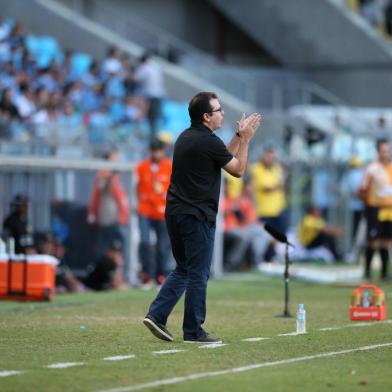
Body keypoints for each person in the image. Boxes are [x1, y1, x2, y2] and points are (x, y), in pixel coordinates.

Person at [143, 91, 261, 344]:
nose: (223, 114)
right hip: (196, 216)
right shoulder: (208, 141)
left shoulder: (186, 138)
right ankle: (194, 331)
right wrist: (247, 141)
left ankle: (156, 314)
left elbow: (222, 158)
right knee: (198, 273)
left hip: (175, 213)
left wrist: (239, 136)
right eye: (218, 110)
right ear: (207, 116)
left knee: (184, 269)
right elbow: (238, 170)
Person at [136, 138, 172, 287]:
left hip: (163, 211)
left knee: (162, 245)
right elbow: (136, 186)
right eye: (154, 150)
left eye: (159, 150)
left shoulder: (169, 166)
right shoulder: (142, 167)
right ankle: (146, 275)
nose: (156, 153)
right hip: (145, 209)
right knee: (144, 242)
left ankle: (160, 275)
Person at [87, 148, 130, 260]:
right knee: (106, 246)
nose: (118, 160)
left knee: (117, 245)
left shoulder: (114, 175)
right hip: (108, 217)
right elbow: (101, 190)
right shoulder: (103, 173)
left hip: (117, 217)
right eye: (115, 157)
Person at [359, 138, 392, 280]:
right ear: (378, 151)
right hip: (374, 208)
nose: (385, 153)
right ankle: (367, 272)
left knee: (386, 241)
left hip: (389, 209)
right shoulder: (372, 169)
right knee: (373, 240)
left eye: (387, 150)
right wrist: (369, 201)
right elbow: (362, 189)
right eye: (383, 150)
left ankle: (385, 274)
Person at [223, 179, 270, 271]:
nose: (226, 187)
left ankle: (255, 262)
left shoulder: (245, 200)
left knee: (262, 232)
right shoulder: (238, 200)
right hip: (230, 228)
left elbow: (246, 218)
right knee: (256, 233)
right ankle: (233, 264)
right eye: (249, 186)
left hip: (237, 227)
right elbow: (243, 220)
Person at [251, 146, 287, 261]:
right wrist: (276, 186)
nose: (271, 160)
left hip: (278, 209)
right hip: (264, 210)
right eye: (269, 157)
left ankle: (273, 256)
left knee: (279, 234)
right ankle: (263, 258)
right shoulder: (256, 169)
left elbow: (281, 185)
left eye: (273, 157)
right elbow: (265, 187)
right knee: (266, 235)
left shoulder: (276, 168)